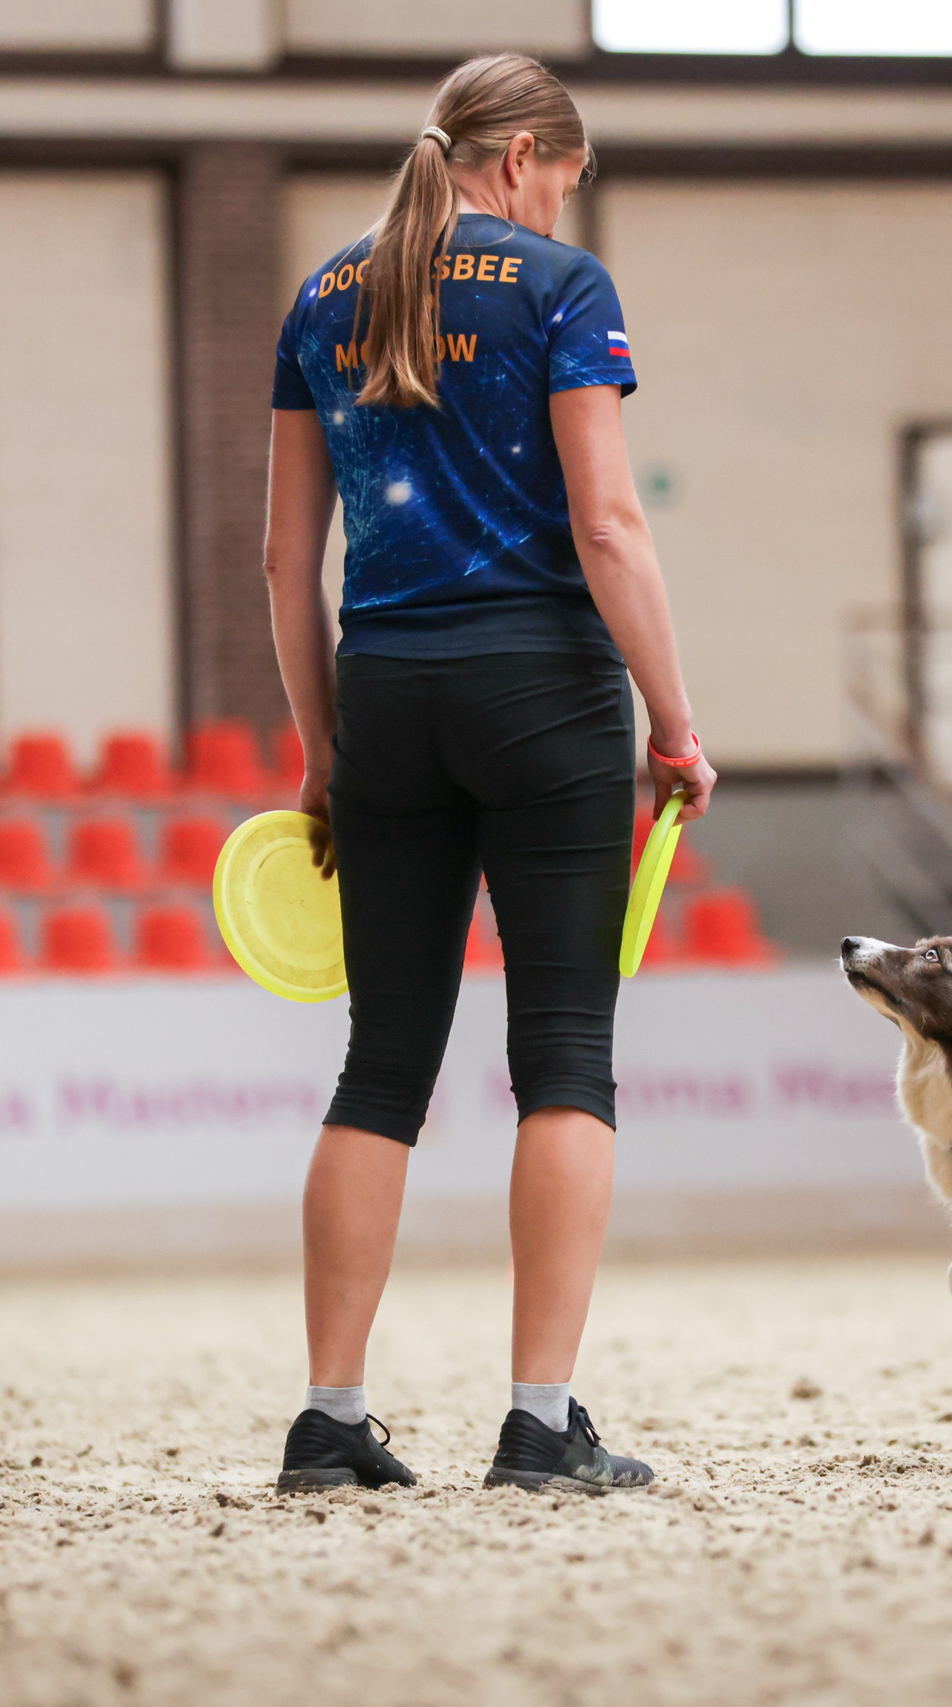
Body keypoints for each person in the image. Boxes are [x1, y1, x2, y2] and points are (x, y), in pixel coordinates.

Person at [261, 53, 714, 1495]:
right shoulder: (562, 291)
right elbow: (610, 525)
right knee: (566, 1059)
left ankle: (329, 1418)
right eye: (564, 178)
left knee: (379, 1066)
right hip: (542, 699)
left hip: (385, 697)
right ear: (521, 157)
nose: (562, 201)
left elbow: (284, 559)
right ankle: (538, 1421)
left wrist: (324, 752)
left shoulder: (322, 299)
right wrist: (677, 722)